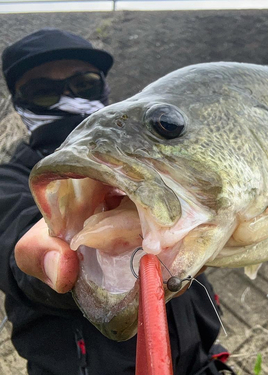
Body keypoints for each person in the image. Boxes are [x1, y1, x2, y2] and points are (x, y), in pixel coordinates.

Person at [0, 28, 232, 375]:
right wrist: (47, 264)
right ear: (20, 104)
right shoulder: (8, 179)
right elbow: (15, 251)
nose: (69, 97)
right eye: (43, 93)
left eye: (85, 84)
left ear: (104, 88)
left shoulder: (163, 161)